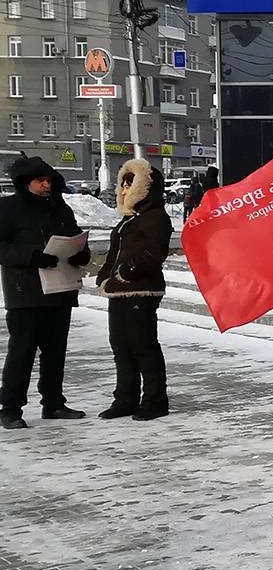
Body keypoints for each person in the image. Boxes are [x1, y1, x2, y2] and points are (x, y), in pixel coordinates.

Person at [0, 156, 92, 428]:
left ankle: (53, 403)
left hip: (60, 289)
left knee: (55, 351)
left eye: (49, 180)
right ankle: (10, 408)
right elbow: (2, 248)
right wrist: (31, 256)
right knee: (22, 352)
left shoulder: (60, 209)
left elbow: (76, 239)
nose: (46, 185)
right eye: (40, 180)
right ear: (26, 183)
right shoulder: (8, 208)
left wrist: (80, 254)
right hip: (25, 292)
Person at [97, 158, 174, 421]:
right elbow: (114, 252)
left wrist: (126, 272)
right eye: (124, 184)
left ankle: (155, 401)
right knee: (120, 346)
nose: (125, 189)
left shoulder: (155, 216)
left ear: (145, 186)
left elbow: (155, 252)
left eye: (131, 184)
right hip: (118, 291)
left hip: (142, 290)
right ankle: (125, 399)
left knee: (143, 346)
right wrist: (106, 274)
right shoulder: (129, 219)